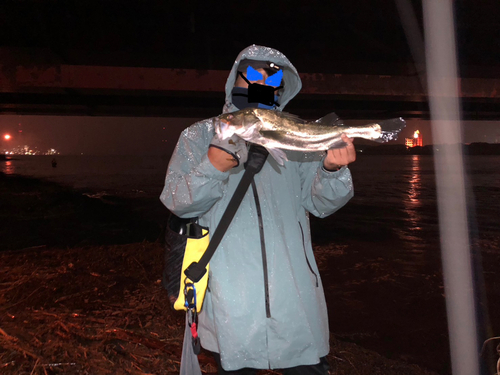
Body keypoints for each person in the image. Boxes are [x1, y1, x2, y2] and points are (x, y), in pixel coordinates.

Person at [160, 44, 356, 374]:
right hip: (231, 299)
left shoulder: (295, 136)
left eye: (272, 79)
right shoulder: (199, 136)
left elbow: (322, 204)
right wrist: (212, 166)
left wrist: (332, 171)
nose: (261, 84)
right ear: (234, 79)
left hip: (295, 296)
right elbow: (178, 201)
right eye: (251, 75)